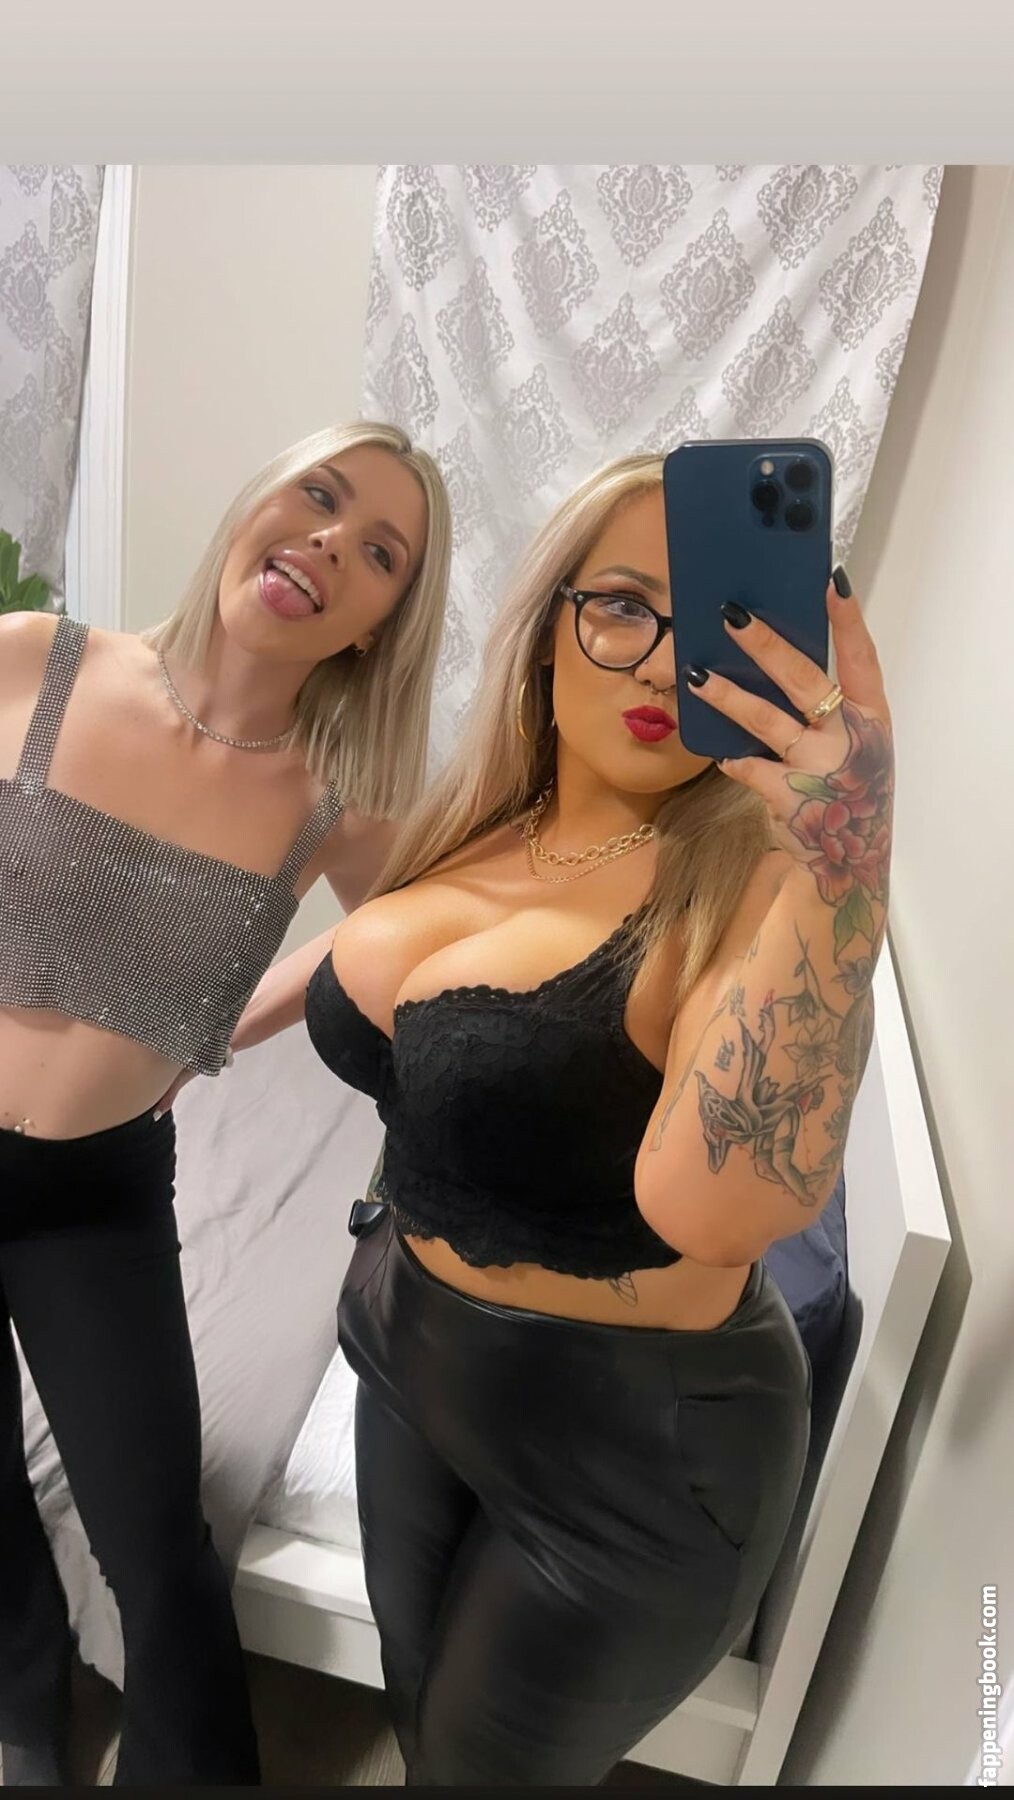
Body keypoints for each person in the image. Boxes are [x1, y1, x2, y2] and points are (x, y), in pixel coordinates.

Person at [304, 453, 893, 1786]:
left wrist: (845, 847)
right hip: (404, 1354)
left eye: (724, 623)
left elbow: (721, 1211)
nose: (664, 663)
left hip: (632, 1466)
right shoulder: (487, 822)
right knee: (414, 1715)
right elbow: (374, 985)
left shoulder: (759, 878)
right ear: (549, 621)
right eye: (624, 605)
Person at [0, 421, 451, 1786]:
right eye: (318, 494)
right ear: (259, 500)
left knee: (157, 1550)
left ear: (381, 623)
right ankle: (21, 1705)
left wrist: (233, 1013)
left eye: (380, 551)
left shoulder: (332, 805)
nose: (329, 542)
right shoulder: (34, 660)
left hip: (91, 1199)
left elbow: (415, 937)